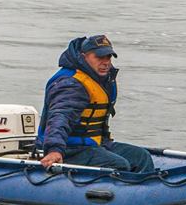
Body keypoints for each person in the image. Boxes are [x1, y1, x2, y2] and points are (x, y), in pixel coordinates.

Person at [36, 35, 154, 173]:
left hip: (96, 144)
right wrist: (54, 149)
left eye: (108, 57)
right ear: (83, 56)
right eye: (99, 57)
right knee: (118, 165)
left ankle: (146, 190)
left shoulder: (102, 79)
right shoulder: (72, 84)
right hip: (69, 149)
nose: (106, 62)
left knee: (141, 157)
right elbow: (60, 117)